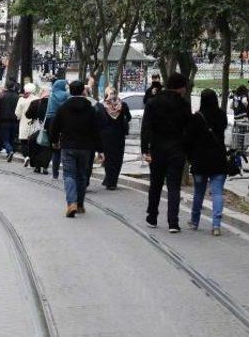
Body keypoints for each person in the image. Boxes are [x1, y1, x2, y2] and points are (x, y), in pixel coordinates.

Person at [141, 72, 192, 233]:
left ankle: (152, 216)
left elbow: (146, 128)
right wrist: (187, 150)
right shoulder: (184, 104)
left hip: (157, 149)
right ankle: (173, 222)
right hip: (177, 150)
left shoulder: (153, 102)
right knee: (174, 187)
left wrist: (145, 149)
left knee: (155, 185)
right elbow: (188, 129)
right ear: (181, 87)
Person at [50, 80, 103, 218]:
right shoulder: (91, 109)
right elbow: (96, 130)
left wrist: (54, 141)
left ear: (70, 91)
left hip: (68, 145)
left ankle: (71, 203)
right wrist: (100, 149)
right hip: (86, 147)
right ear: (82, 91)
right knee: (82, 175)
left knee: (69, 175)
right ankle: (79, 204)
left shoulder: (63, 108)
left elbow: (55, 127)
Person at [187, 89, 228, 236]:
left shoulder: (196, 117)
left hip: (200, 160)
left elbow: (190, 139)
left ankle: (194, 220)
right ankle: (216, 225)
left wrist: (190, 158)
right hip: (218, 159)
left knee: (199, 192)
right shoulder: (222, 115)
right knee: (217, 193)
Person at [96, 87, 131, 190]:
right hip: (119, 135)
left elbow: (98, 121)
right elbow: (128, 117)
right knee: (118, 158)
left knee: (109, 158)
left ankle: (110, 181)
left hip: (106, 135)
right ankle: (113, 180)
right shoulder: (122, 105)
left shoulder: (101, 106)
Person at [45, 79, 70, 179]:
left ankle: (55, 174)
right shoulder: (66, 95)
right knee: (64, 149)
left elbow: (48, 110)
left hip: (51, 122)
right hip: (64, 122)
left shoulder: (51, 95)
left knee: (55, 150)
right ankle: (66, 173)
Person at [26, 87, 51, 174]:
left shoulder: (35, 102)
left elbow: (28, 115)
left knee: (35, 146)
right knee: (46, 148)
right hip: (49, 129)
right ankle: (45, 166)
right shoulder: (52, 103)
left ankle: (36, 166)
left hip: (37, 128)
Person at [0, 81, 20, 162]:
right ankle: (10, 151)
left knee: (5, 138)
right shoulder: (17, 97)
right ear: (13, 87)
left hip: (4, 120)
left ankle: (9, 151)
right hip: (14, 120)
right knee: (12, 137)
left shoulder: (3, 96)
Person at [15, 83, 38, 167]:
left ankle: (26, 156)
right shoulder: (37, 99)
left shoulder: (21, 100)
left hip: (24, 123)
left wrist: (19, 117)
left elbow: (17, 113)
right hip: (35, 124)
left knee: (24, 141)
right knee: (33, 142)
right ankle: (32, 157)